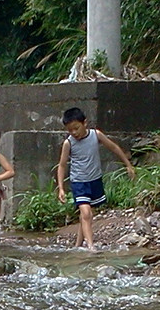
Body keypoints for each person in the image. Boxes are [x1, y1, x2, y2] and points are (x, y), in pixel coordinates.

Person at [54, 107, 134, 250]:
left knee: (87, 216)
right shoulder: (69, 143)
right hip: (79, 182)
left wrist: (128, 164)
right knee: (86, 213)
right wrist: (61, 188)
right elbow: (61, 165)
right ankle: (91, 247)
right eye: (70, 130)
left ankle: (77, 245)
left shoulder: (96, 135)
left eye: (76, 128)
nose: (74, 133)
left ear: (85, 123)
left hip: (94, 180)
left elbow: (113, 147)